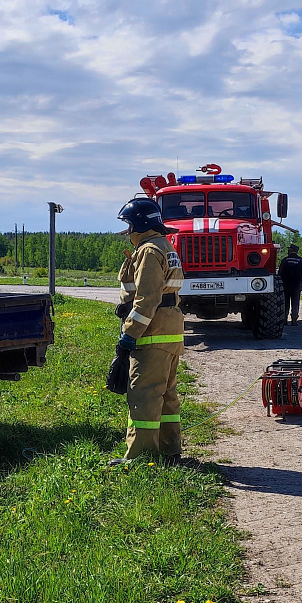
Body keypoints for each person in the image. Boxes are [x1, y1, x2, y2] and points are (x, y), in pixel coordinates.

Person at [112, 197, 185, 462]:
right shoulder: (165, 245)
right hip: (170, 330)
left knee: (143, 394)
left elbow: (148, 299)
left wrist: (129, 335)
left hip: (152, 333)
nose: (127, 231)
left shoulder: (148, 250)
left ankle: (140, 457)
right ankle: (169, 450)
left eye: (129, 224)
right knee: (166, 395)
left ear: (140, 224)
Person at [278, 242, 302, 323]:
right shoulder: (301, 261)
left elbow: (280, 273)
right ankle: (294, 320)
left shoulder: (285, 260)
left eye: (289, 249)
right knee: (295, 303)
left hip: (285, 285)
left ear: (291, 250)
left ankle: (284, 320)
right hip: (296, 286)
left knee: (285, 303)